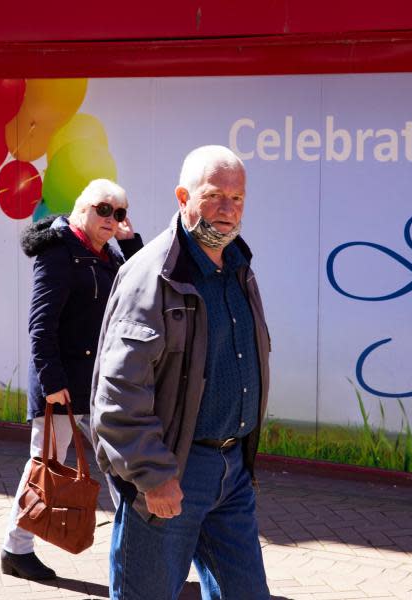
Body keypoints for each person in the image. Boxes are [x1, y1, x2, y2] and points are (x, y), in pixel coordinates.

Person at [91, 145, 271, 599]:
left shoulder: (237, 266)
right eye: (214, 196)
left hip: (231, 475)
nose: (228, 210)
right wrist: (154, 475)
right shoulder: (151, 277)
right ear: (182, 196)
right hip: (173, 473)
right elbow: (117, 395)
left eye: (238, 198)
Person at [1, 179, 143, 580]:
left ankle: (139, 549)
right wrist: (52, 382)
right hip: (62, 383)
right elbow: (41, 325)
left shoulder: (111, 256)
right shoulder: (59, 252)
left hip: (99, 386)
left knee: (122, 466)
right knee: (45, 467)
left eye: (118, 213)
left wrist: (130, 242)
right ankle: (16, 550)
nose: (111, 219)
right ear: (81, 210)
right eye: (103, 209)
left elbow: (144, 282)